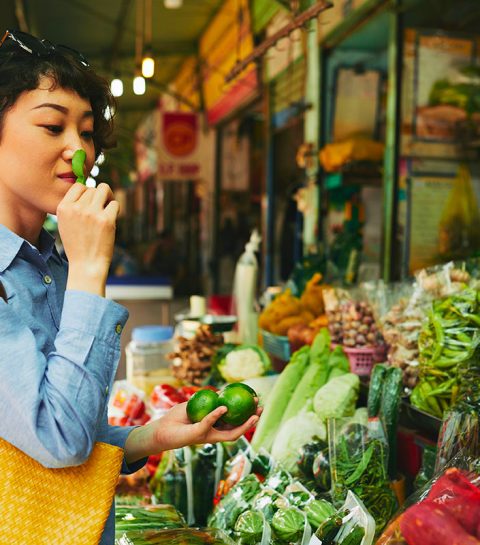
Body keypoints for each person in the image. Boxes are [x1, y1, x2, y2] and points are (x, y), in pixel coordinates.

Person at [0, 30, 261, 544]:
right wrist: (90, 271)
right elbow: (60, 439)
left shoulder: (45, 265)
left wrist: (156, 434)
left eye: (88, 131)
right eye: (53, 125)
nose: (79, 149)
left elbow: (55, 434)